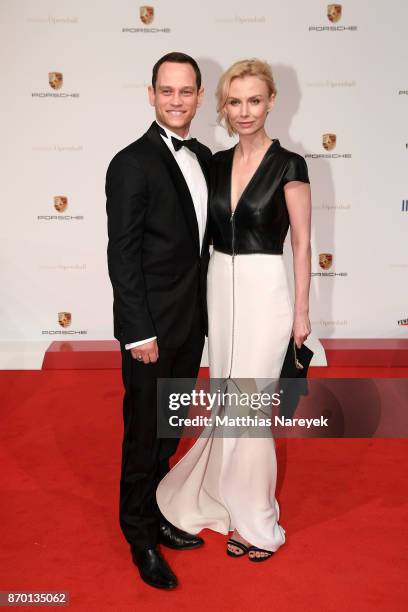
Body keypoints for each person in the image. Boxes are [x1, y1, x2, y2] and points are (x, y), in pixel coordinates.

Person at [157, 59, 311, 561]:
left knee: (251, 410)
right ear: (222, 106)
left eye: (255, 100)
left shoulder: (290, 164)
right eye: (235, 101)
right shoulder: (216, 163)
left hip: (266, 290)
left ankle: (256, 521)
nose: (245, 111)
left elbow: (304, 246)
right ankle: (223, 502)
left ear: (271, 102)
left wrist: (302, 316)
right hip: (218, 287)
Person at [106, 52, 211, 590]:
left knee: (169, 430)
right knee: (142, 434)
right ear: (151, 94)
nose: (176, 100)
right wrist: (137, 331)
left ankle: (158, 513)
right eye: (166, 90)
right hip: (150, 330)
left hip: (190, 325)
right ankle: (139, 535)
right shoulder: (131, 162)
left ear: (198, 95)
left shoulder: (204, 155)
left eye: (186, 91)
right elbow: (122, 254)